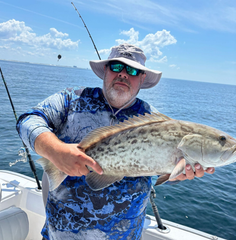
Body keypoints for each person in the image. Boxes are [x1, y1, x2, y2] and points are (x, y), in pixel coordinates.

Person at [16, 43, 215, 240]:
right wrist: (55, 151)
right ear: (105, 69)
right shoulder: (72, 99)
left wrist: (174, 172)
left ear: (142, 77)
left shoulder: (155, 119)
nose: (123, 74)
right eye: (117, 66)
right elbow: (27, 121)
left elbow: (156, 172)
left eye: (133, 70)